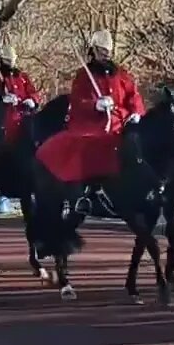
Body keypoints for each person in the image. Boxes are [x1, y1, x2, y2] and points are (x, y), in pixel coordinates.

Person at [33, 29, 145, 214]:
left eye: (108, 51)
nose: (106, 55)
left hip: (120, 122)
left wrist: (136, 112)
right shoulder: (84, 76)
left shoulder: (122, 74)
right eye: (101, 51)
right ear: (94, 51)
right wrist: (95, 105)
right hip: (91, 124)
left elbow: (134, 96)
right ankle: (86, 191)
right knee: (87, 144)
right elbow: (78, 101)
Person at [0, 44, 41, 144]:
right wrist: (1, 98)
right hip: (4, 126)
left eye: (12, 61)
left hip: (24, 124)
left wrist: (32, 100)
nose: (10, 64)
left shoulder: (22, 77)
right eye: (8, 61)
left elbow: (34, 93)